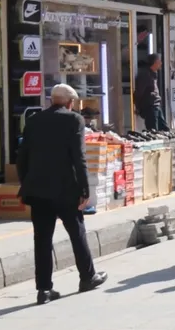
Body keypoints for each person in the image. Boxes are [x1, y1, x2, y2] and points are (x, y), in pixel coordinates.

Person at [17, 84, 108, 304]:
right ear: (70, 103)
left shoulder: (33, 121)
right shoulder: (74, 120)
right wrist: (84, 188)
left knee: (42, 239)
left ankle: (44, 289)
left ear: (52, 100)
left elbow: (22, 157)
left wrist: (25, 184)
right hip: (66, 189)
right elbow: (79, 156)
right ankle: (87, 277)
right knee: (77, 232)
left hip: (37, 189)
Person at [135, 53, 167, 131]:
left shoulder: (153, 74)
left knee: (164, 128)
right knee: (153, 130)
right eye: (159, 61)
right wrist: (138, 106)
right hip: (150, 107)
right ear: (155, 62)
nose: (161, 63)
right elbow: (139, 92)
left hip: (156, 105)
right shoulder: (145, 75)